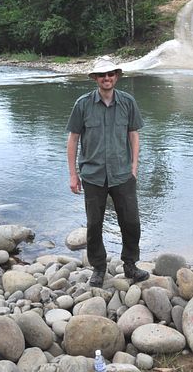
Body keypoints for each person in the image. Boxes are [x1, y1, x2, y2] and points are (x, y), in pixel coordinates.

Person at [66, 56, 149, 287]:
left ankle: (130, 265)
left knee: (131, 222)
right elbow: (73, 139)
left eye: (110, 74)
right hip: (92, 175)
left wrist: (134, 166)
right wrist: (73, 174)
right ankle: (99, 268)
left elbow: (134, 134)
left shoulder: (128, 102)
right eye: (102, 75)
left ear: (117, 76)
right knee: (94, 224)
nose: (106, 78)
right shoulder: (82, 104)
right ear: (95, 78)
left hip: (123, 173)